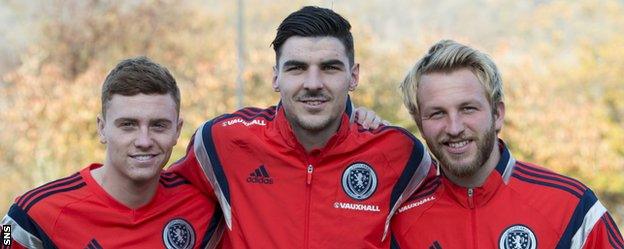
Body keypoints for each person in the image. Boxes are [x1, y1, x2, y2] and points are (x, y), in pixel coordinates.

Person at [169, 6, 433, 249]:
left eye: (330, 68)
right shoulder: (221, 142)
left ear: (353, 76)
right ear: (275, 77)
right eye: (297, 68)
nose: (313, 83)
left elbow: (453, 209)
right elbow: (152, 197)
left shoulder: (401, 154)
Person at [392, 40, 624, 248]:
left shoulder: (570, 205)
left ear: (497, 114)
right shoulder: (401, 221)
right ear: (420, 125)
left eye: (468, 109)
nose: (454, 128)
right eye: (437, 113)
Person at [1, 57, 223, 249]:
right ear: (102, 128)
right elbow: (6, 237)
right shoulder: (32, 213)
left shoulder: (205, 207)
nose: (144, 141)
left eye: (158, 125)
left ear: (177, 130)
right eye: (128, 124)